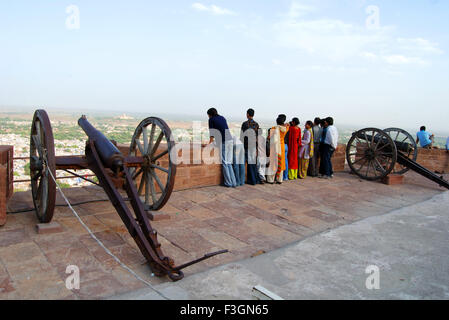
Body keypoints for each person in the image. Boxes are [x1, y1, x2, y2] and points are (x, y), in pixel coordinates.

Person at [207, 108, 237, 188]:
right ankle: (233, 182)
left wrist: (209, 143)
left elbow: (212, 133)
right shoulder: (222, 117)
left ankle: (228, 183)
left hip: (224, 141)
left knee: (224, 163)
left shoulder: (211, 119)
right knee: (229, 163)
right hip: (230, 140)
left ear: (210, 114)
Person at [266, 115, 289, 184]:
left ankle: (271, 180)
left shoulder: (273, 128)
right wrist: (286, 125)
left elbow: (269, 137)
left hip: (274, 147)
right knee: (280, 163)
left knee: (273, 163)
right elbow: (288, 125)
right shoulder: (285, 129)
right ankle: (279, 179)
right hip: (281, 147)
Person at [240, 108, 261, 185]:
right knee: (252, 163)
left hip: (246, 146)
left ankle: (248, 180)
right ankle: (253, 179)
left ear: (248, 114)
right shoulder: (256, 124)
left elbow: (242, 136)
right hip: (253, 146)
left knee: (244, 163)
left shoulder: (245, 124)